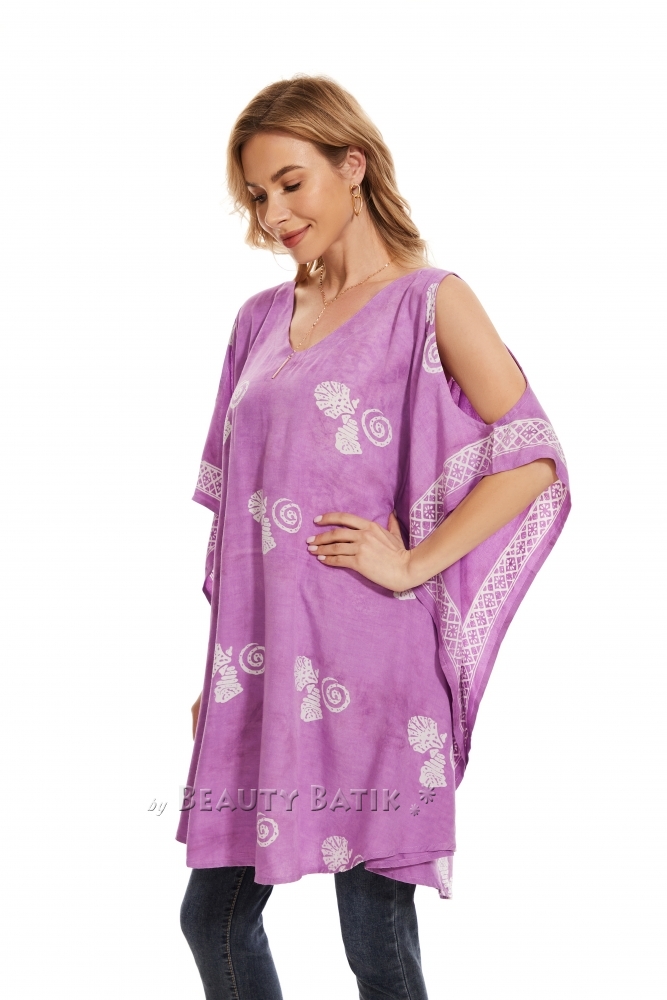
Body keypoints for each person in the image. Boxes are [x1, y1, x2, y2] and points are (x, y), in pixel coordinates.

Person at [176, 75, 571, 1000]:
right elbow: (238, 522)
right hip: (262, 669)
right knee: (214, 917)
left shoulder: (429, 301)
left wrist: (413, 561)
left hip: (375, 664)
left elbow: (531, 457)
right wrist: (218, 677)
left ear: (351, 165)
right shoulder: (257, 321)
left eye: (290, 184)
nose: (274, 214)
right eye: (257, 196)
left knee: (374, 942)